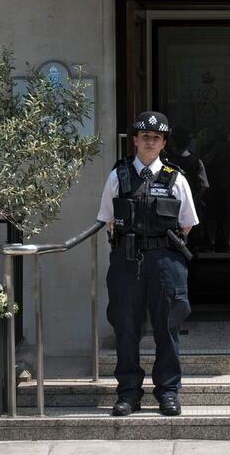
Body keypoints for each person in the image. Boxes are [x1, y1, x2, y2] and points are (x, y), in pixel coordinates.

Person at [96, 111, 199, 417]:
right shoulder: (119, 175)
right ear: (135, 141)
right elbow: (107, 219)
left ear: (163, 142)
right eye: (144, 137)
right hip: (127, 262)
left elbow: (187, 224)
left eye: (156, 138)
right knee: (126, 327)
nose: (149, 142)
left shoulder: (175, 178)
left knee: (168, 327)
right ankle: (128, 394)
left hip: (165, 262)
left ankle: (167, 392)